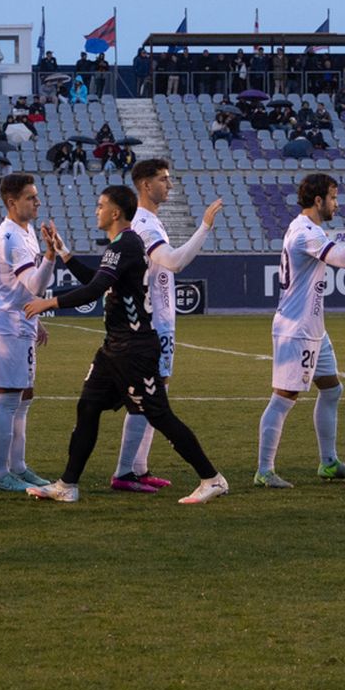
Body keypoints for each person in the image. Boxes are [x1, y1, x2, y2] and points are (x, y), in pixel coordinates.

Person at [21, 185, 230, 505]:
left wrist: (47, 303)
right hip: (114, 349)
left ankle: (212, 478)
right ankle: (68, 484)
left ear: (115, 212)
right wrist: (64, 252)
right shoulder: (121, 244)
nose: (96, 210)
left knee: (159, 415)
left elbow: (95, 289)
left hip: (135, 349)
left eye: (101, 205)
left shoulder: (128, 243)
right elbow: (97, 281)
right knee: (88, 407)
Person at [106, 159, 222, 493]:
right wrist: (204, 227)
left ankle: (137, 468)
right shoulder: (145, 225)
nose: (168, 185)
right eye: (163, 179)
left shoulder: (148, 221)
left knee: (156, 392)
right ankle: (125, 472)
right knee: (147, 396)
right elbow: (174, 262)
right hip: (151, 324)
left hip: (160, 321)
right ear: (145, 185)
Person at [257, 173, 345, 488]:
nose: (337, 204)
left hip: (313, 327)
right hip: (297, 328)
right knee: (284, 398)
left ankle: (329, 463)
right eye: (333, 198)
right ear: (318, 200)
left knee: (332, 389)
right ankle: (264, 470)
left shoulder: (307, 229)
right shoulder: (306, 233)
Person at [0, 173, 57, 492]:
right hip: (9, 328)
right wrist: (52, 256)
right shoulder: (11, 237)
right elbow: (34, 285)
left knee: (25, 395)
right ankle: (0, 474)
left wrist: (36, 317)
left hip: (23, 323)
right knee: (10, 397)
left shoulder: (25, 231)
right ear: (12, 202)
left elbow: (24, 290)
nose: (37, 201)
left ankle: (18, 466)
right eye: (30, 197)